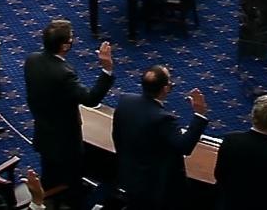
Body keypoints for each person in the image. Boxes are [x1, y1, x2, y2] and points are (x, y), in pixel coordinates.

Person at [23, 20, 114, 205]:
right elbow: (90, 99)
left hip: (43, 132)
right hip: (65, 141)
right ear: (65, 46)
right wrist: (107, 69)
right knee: (73, 182)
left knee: (49, 173)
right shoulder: (63, 73)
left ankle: (48, 196)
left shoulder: (31, 60)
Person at [112, 65, 209, 209]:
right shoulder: (164, 119)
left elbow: (116, 135)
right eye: (170, 82)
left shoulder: (125, 100)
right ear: (165, 89)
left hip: (127, 171)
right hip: (155, 185)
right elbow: (184, 147)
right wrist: (199, 115)